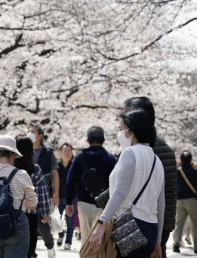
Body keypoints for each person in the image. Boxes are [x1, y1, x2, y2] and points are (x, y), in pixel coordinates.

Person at [95, 96, 177, 258]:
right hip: (152, 228)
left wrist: (101, 222)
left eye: (121, 128)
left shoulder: (129, 153)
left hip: (131, 225)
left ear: (132, 128)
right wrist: (159, 240)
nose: (120, 132)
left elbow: (119, 192)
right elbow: (161, 204)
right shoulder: (157, 159)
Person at [65, 126, 116, 245]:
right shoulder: (110, 159)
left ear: (87, 140)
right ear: (104, 140)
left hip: (84, 203)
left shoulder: (79, 158)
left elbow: (70, 180)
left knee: (86, 238)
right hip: (104, 204)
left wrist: (68, 202)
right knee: (103, 240)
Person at [14, 136, 52, 258]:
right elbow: (42, 193)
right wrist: (45, 212)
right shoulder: (35, 169)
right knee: (30, 245)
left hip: (12, 213)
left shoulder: (10, 169)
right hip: (31, 213)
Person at [27, 125, 59, 205]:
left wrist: (56, 194)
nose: (29, 134)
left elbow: (54, 173)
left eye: (32, 132)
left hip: (45, 192)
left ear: (40, 136)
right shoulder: (25, 151)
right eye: (28, 132)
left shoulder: (48, 152)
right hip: (27, 192)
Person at [173, 150, 197, 254]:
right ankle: (196, 247)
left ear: (181, 160)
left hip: (179, 200)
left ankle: (176, 244)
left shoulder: (177, 171)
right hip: (192, 200)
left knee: (179, 223)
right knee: (195, 224)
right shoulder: (195, 171)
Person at [57, 143, 75, 250]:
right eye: (65, 150)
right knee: (57, 218)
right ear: (60, 152)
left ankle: (68, 242)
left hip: (71, 197)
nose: (67, 152)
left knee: (70, 220)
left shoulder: (74, 165)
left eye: (69, 150)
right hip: (58, 197)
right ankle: (60, 235)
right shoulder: (56, 166)